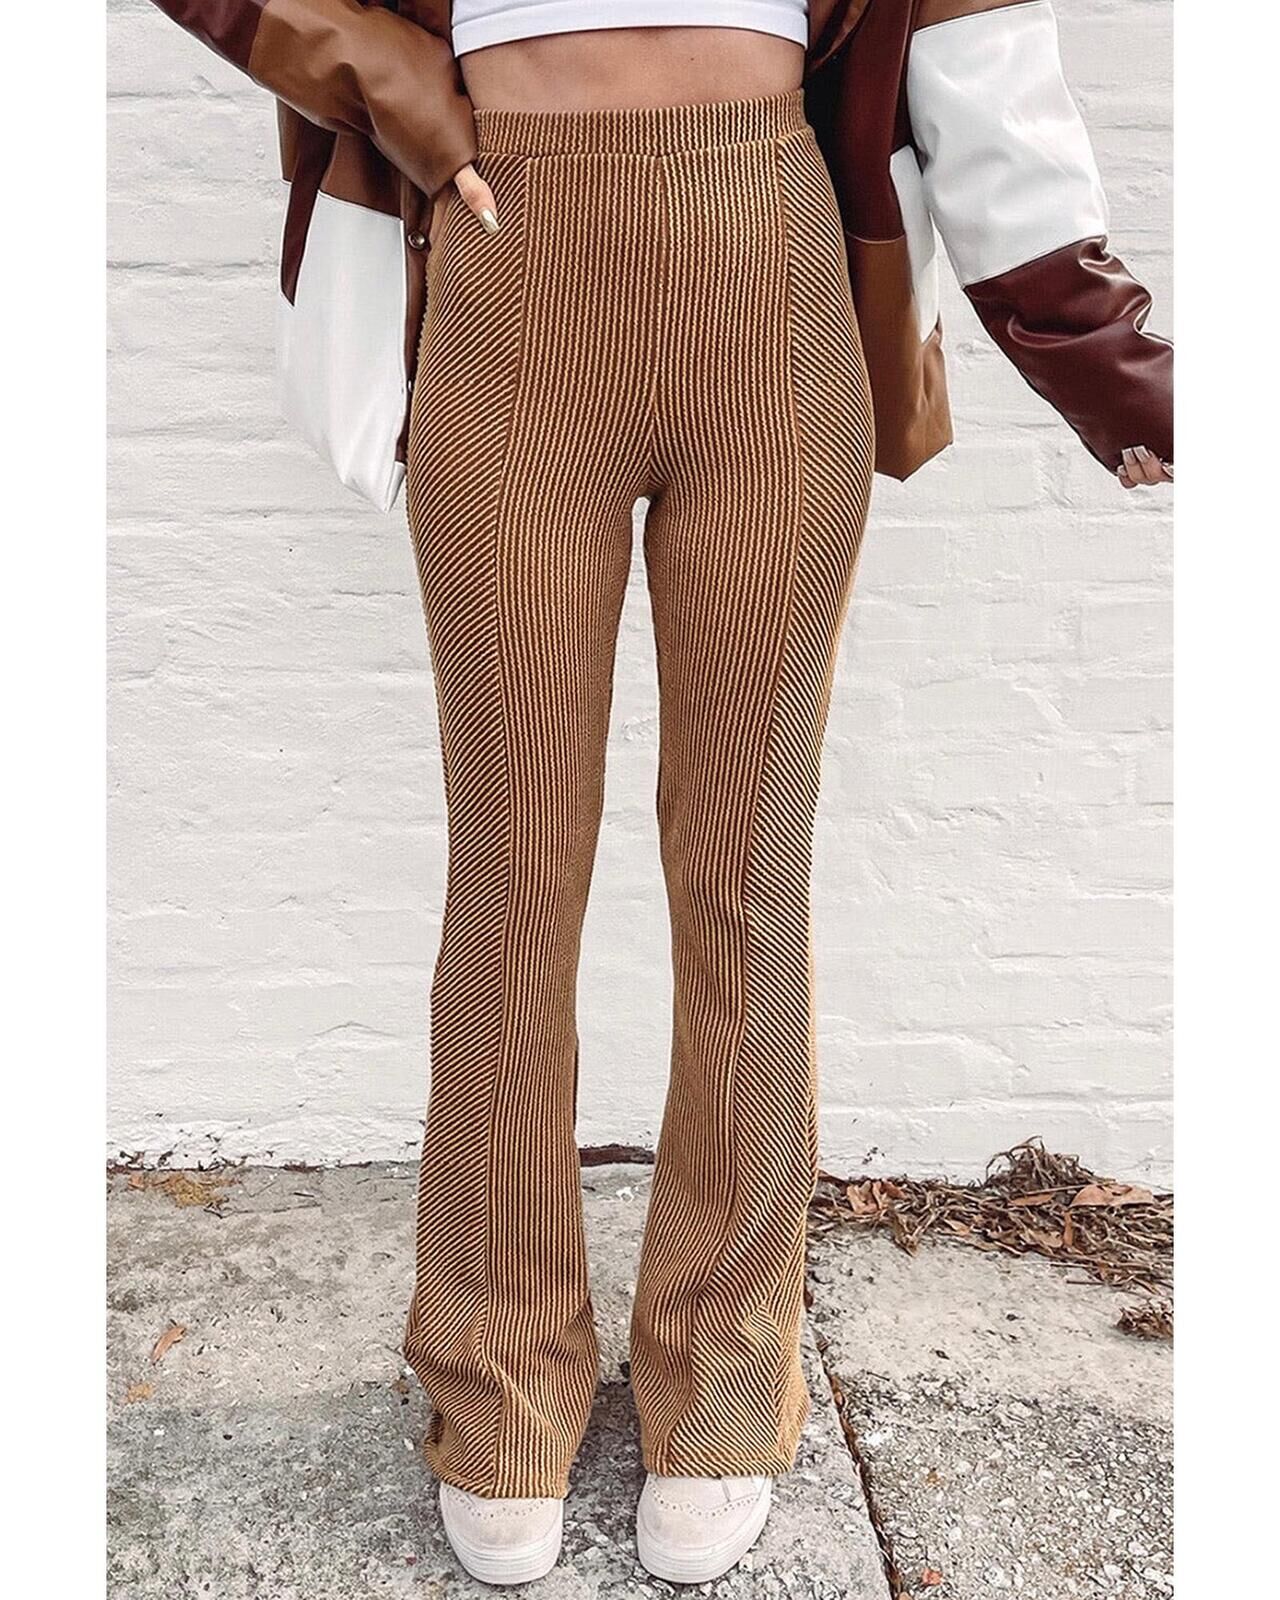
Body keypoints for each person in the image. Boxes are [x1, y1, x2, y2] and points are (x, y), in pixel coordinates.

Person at [139, 0, 1173, 1585]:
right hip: (508, 249)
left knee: (747, 874)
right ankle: (497, 1381)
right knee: (512, 874)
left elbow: (982, 55)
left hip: (768, 253)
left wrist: (1117, 364)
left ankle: (724, 1378)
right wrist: (388, 75)